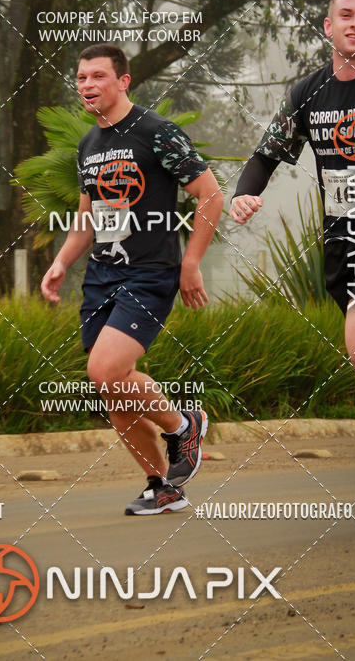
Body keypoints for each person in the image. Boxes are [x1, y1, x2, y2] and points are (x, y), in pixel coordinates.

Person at [230, 0, 355, 527]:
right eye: (346, 15)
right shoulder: (308, 93)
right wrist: (245, 193)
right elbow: (267, 153)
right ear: (328, 26)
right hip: (344, 241)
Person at [41, 44, 224, 515]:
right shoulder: (88, 144)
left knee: (104, 371)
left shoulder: (156, 132)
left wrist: (191, 263)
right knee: (113, 388)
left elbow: (210, 194)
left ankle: (184, 425)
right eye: (81, 78)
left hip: (149, 273)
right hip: (101, 276)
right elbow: (87, 219)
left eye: (97, 76)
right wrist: (61, 263)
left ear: (123, 81)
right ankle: (162, 485)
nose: (87, 85)